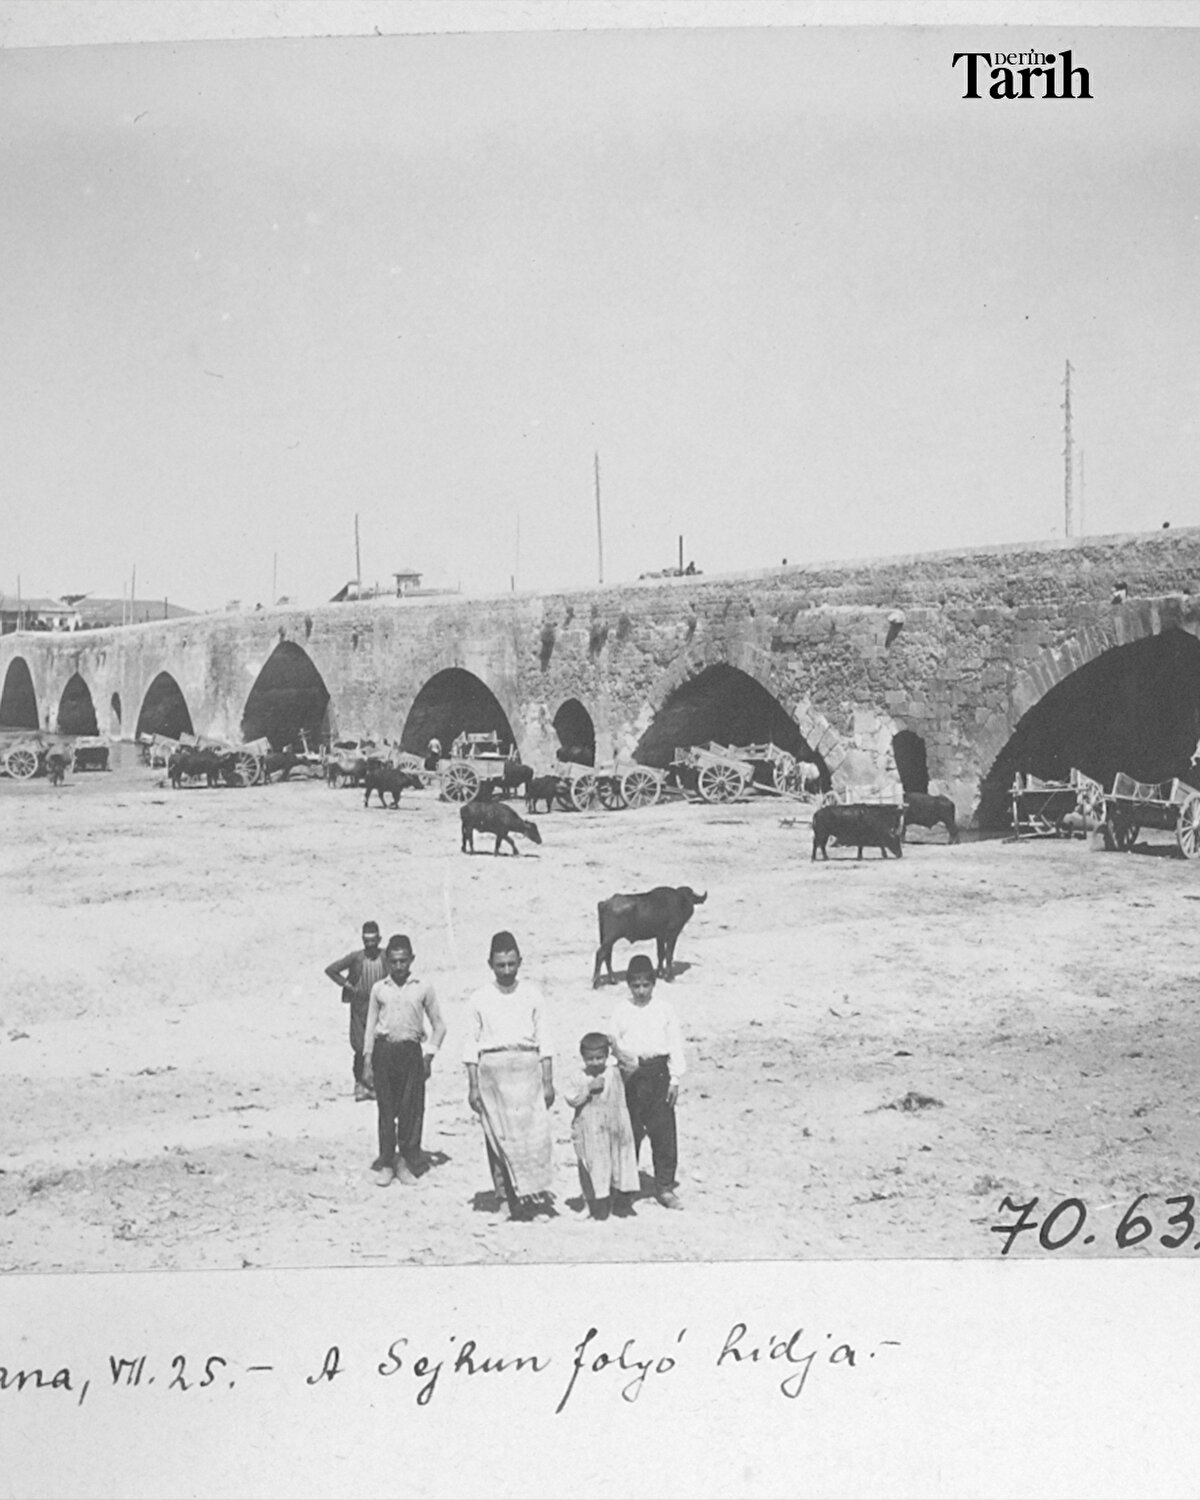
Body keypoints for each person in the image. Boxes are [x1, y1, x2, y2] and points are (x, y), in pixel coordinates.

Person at [463, 931, 556, 1220]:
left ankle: (533, 1200)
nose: (506, 971)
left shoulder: (532, 995)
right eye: (500, 965)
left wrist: (548, 1080)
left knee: (534, 1140)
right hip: (493, 1073)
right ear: (490, 963)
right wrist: (473, 1087)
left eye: (511, 964)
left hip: (527, 1073)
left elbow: (546, 1040)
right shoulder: (479, 998)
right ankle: (504, 1200)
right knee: (498, 1139)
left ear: (520, 962)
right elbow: (470, 1046)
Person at [362, 934, 446, 1187]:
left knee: (412, 1110)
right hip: (384, 1052)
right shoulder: (379, 989)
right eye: (394, 961)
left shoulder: (423, 987)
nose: (399, 966)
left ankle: (407, 1162)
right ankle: (387, 1162)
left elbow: (439, 1025)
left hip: (411, 1053)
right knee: (386, 1110)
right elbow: (370, 1025)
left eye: (403, 961)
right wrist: (367, 1060)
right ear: (387, 960)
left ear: (411, 959)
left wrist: (429, 1055)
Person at [608, 953, 686, 1210]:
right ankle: (627, 1188)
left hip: (659, 1074)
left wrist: (674, 1079)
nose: (641, 991)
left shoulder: (664, 1010)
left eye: (646, 985)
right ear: (628, 985)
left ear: (654, 983)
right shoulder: (621, 1011)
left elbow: (675, 1044)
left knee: (663, 1132)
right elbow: (613, 1043)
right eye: (636, 985)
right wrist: (620, 1063)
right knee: (630, 1131)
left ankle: (664, 1186)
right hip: (632, 1075)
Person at [563, 1032, 639, 1220]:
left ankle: (614, 1202)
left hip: (616, 1126)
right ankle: (589, 1205)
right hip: (590, 1128)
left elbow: (633, 1064)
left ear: (606, 1056)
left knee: (616, 1163)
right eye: (590, 1059)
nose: (595, 1062)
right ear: (583, 1057)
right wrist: (587, 1089)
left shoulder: (615, 1072)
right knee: (590, 1165)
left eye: (600, 1058)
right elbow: (571, 1099)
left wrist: (616, 1049)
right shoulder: (578, 1076)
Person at [324, 921, 388, 1101]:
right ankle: (360, 1085)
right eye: (366, 941)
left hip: (381, 1007)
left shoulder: (385, 957)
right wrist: (348, 986)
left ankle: (376, 1085)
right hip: (359, 1007)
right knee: (360, 1047)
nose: (370, 945)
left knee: (379, 1046)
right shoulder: (356, 958)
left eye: (373, 940)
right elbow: (331, 970)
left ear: (379, 939)